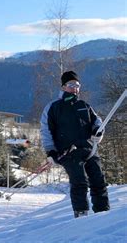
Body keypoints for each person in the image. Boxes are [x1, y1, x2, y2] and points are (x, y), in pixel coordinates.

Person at [40, 70, 110, 218]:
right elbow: (46, 132)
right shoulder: (53, 108)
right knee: (80, 182)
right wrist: (50, 152)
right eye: (71, 85)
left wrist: (98, 131)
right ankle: (81, 215)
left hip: (89, 149)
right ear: (63, 87)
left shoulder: (84, 105)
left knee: (99, 181)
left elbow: (97, 121)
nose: (75, 88)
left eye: (77, 85)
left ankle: (103, 214)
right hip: (68, 152)